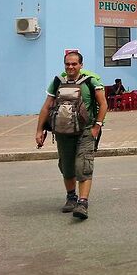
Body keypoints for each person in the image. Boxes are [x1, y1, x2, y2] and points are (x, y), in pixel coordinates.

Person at [35, 52, 107, 220]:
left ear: (81, 65)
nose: (70, 67)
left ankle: (83, 203)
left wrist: (97, 126)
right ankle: (71, 197)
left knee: (84, 166)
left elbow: (103, 104)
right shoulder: (57, 82)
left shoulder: (90, 82)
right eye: (67, 64)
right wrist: (40, 130)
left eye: (74, 64)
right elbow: (47, 107)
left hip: (86, 131)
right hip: (63, 132)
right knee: (66, 166)